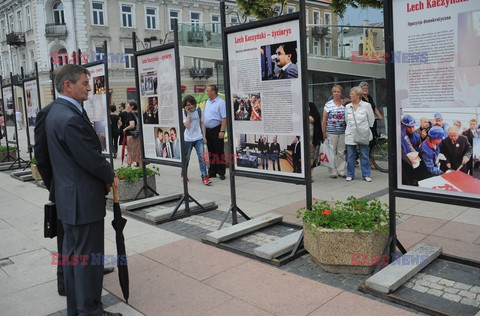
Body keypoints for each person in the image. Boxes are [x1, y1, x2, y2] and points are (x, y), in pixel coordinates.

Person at [39, 64, 120, 316]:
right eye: (84, 83)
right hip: (82, 202)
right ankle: (90, 310)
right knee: (86, 261)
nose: (89, 87)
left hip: (70, 200)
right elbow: (91, 158)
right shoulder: (70, 117)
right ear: (68, 85)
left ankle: (77, 309)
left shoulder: (57, 112)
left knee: (74, 260)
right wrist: (110, 174)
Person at [345, 86, 375, 182]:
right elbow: (346, 120)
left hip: (363, 133)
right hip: (350, 134)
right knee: (350, 155)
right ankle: (350, 174)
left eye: (352, 94)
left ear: (358, 95)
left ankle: (366, 174)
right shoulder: (347, 106)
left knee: (364, 154)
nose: (350, 95)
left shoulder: (366, 105)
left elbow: (371, 120)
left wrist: (365, 129)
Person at [182, 95, 211, 185]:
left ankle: (204, 177)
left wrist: (204, 136)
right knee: (186, 158)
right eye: (187, 105)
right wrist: (188, 114)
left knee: (202, 158)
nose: (189, 106)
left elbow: (202, 124)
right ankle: (184, 173)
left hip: (198, 137)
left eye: (191, 104)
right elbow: (187, 125)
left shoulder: (199, 111)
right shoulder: (184, 112)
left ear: (194, 104)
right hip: (187, 138)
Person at [322, 85, 347, 178]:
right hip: (331, 132)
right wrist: (323, 132)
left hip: (342, 131)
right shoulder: (328, 104)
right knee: (331, 151)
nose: (336, 93)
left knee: (341, 152)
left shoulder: (344, 104)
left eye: (338, 92)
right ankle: (332, 171)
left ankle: (341, 170)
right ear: (332, 93)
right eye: (334, 92)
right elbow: (324, 119)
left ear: (341, 93)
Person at [204, 84, 227, 180]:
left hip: (217, 129)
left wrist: (222, 131)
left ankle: (221, 172)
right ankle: (212, 171)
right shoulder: (208, 102)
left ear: (213, 91)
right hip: (208, 130)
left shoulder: (221, 102)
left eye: (208, 91)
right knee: (211, 151)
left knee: (219, 151)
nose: (207, 92)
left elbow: (224, 118)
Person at [358, 82, 383, 148]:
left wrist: (379, 115)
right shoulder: (359, 99)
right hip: (365, 122)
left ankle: (371, 154)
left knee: (374, 137)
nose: (365, 89)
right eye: (363, 88)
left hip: (372, 120)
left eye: (366, 88)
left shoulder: (369, 97)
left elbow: (374, 107)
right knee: (368, 138)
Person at [123, 101, 142, 167]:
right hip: (138, 135)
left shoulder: (130, 114)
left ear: (132, 106)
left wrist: (125, 129)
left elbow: (132, 125)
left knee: (130, 153)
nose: (127, 108)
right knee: (139, 153)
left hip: (131, 136)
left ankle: (129, 169)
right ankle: (141, 170)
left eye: (128, 106)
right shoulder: (138, 114)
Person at [309, 102, 323, 177]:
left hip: (313, 142)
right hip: (305, 142)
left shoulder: (314, 114)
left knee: (312, 158)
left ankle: (310, 174)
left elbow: (313, 120)